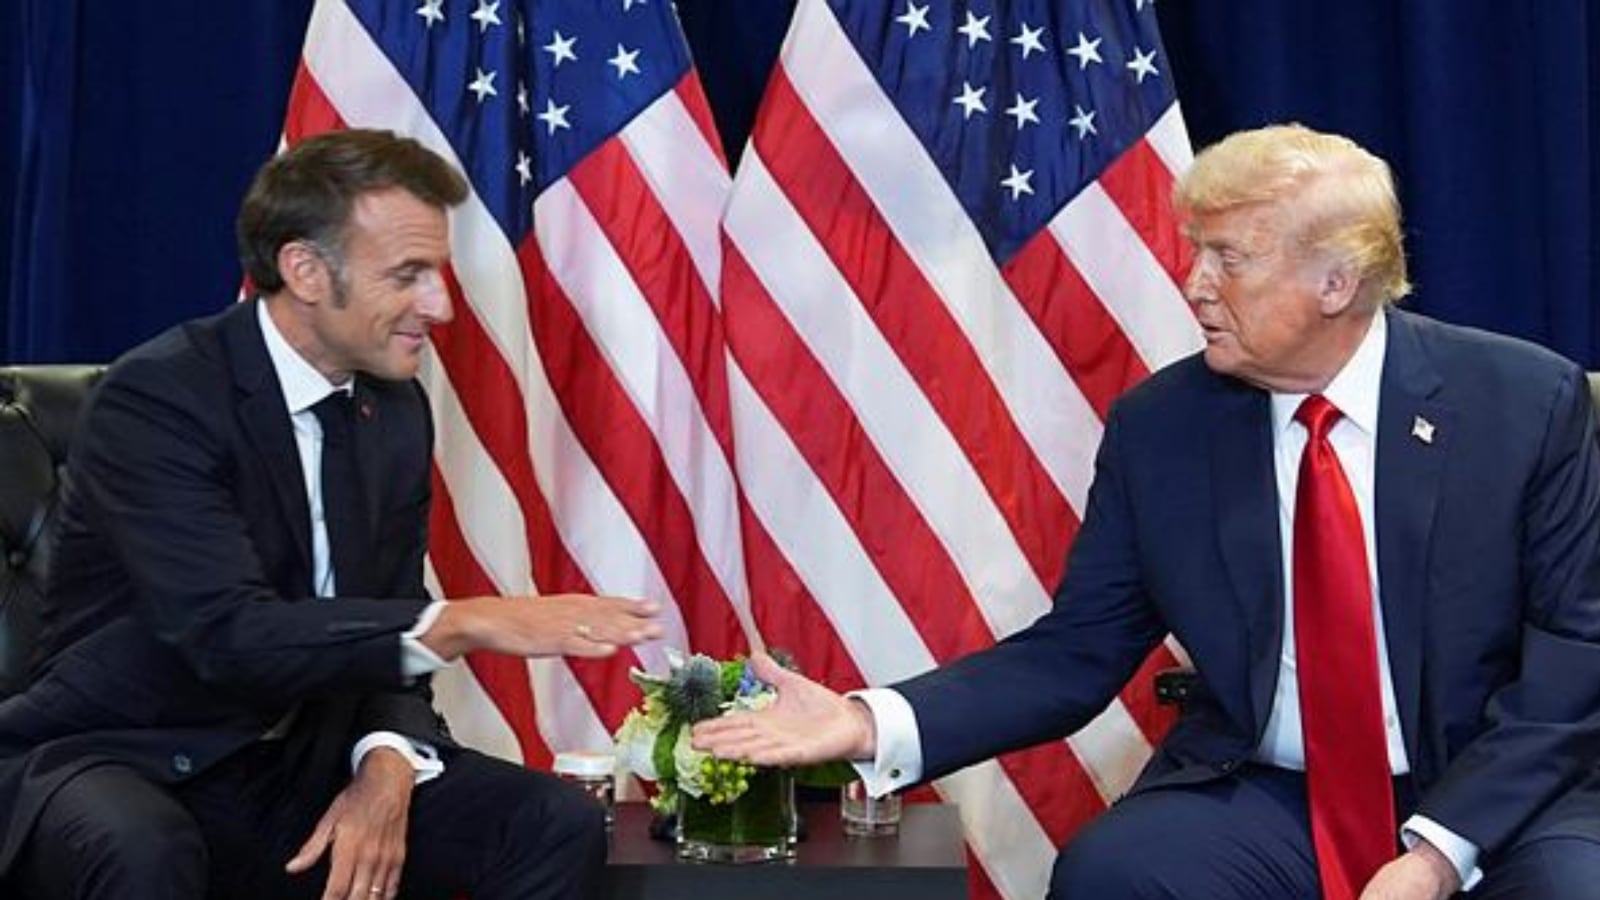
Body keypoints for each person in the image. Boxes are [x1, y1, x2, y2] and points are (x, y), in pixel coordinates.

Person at [693, 124, 1600, 900]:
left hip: (1500, 790)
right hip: (1270, 792)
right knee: (1120, 872)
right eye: (1194, 251)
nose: (1195, 284)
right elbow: (1077, 652)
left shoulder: (1522, 404)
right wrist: (868, 722)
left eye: (1228, 259)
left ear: (1337, 282)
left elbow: (1573, 665)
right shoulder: (1163, 430)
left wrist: (1437, 851)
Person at [0, 129, 663, 900]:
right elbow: (226, 634)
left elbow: (386, 628)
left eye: (439, 274)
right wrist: (466, 622)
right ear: (306, 271)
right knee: (142, 847)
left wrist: (384, 762)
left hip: (301, 757)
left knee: (549, 821)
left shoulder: (394, 407)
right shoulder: (160, 398)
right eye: (409, 275)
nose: (440, 306)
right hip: (132, 753)